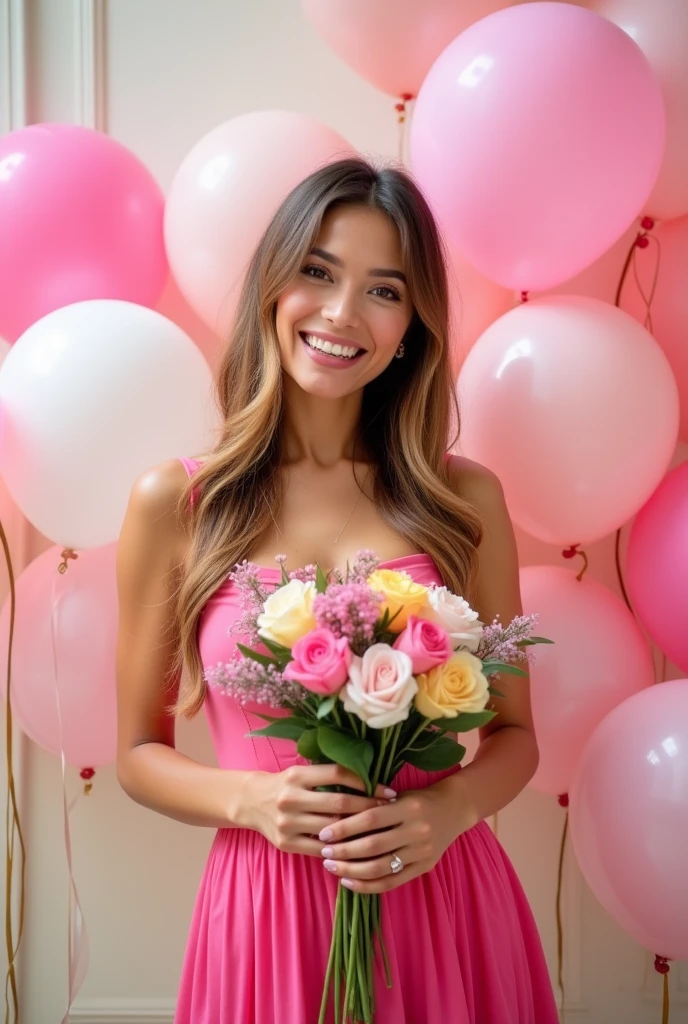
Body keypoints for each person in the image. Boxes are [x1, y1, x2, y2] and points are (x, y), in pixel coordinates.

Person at [115, 156, 558, 1024]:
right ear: (273, 287)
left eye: (384, 290)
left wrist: (453, 807)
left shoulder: (464, 502)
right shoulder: (177, 503)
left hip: (442, 901)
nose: (342, 313)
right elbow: (136, 752)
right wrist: (247, 797)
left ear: (410, 328)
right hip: (267, 911)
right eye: (318, 272)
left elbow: (515, 734)